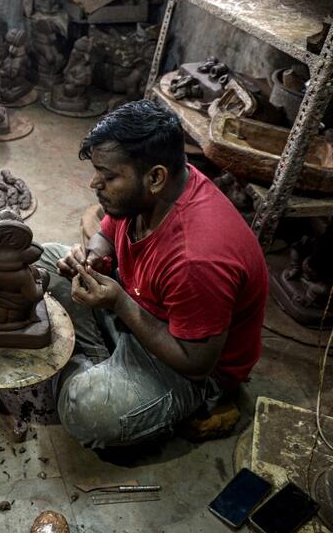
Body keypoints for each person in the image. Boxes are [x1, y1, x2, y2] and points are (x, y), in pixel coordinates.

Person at [38, 100, 268, 448]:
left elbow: (196, 364)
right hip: (139, 307)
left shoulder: (197, 258)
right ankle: (103, 364)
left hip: (185, 366)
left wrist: (117, 301)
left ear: (156, 176)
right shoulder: (150, 192)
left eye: (109, 176)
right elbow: (107, 232)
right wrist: (93, 256)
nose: (94, 184)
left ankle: (97, 371)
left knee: (84, 412)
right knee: (40, 262)